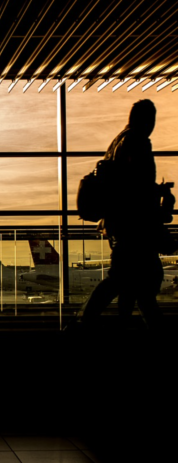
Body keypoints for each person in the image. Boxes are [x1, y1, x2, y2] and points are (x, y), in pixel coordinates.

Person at [79, 99, 173, 330]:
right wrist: (159, 196)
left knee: (129, 282)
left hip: (119, 224)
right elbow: (136, 188)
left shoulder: (118, 142)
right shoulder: (138, 142)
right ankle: (83, 324)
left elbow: (125, 185)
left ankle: (91, 324)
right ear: (147, 119)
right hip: (134, 227)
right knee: (132, 281)